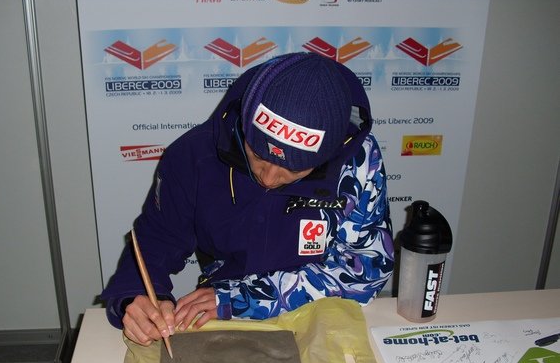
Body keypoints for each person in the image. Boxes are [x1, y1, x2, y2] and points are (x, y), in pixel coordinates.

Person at [101, 52, 394, 346]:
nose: (268, 179)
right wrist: (134, 296)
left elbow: (366, 268)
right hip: (224, 320)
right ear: (243, 123)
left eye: (294, 170)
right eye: (258, 155)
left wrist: (246, 298)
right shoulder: (195, 155)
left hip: (317, 317)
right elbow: (158, 238)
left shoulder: (357, 163)